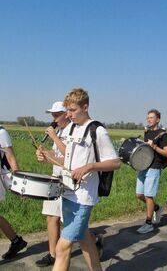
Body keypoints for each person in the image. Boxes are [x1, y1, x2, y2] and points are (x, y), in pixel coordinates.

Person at [37, 88, 120, 271]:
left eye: (73, 110)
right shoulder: (72, 128)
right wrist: (47, 156)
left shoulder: (97, 130)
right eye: (68, 110)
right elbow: (68, 159)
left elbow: (115, 163)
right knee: (85, 240)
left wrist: (90, 166)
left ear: (85, 107)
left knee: (62, 247)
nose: (69, 114)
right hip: (67, 193)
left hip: (84, 197)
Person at [35, 101, 70, 267]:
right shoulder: (60, 130)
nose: (54, 118)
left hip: (70, 181)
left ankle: (93, 242)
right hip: (55, 178)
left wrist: (54, 137)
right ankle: (52, 254)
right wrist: (44, 154)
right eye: (52, 115)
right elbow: (56, 155)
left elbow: (70, 157)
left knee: (71, 222)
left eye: (57, 115)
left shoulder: (73, 131)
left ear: (67, 114)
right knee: (51, 217)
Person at [136, 109, 167, 234]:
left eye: (151, 117)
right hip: (144, 166)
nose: (149, 120)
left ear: (158, 119)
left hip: (155, 167)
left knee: (148, 195)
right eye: (148, 118)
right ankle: (157, 208)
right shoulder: (147, 132)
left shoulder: (162, 134)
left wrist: (154, 146)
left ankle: (148, 223)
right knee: (139, 195)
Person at [0, 125, 27, 260]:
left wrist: (21, 183)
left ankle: (16, 241)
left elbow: (10, 157)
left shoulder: (1, 132)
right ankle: (16, 241)